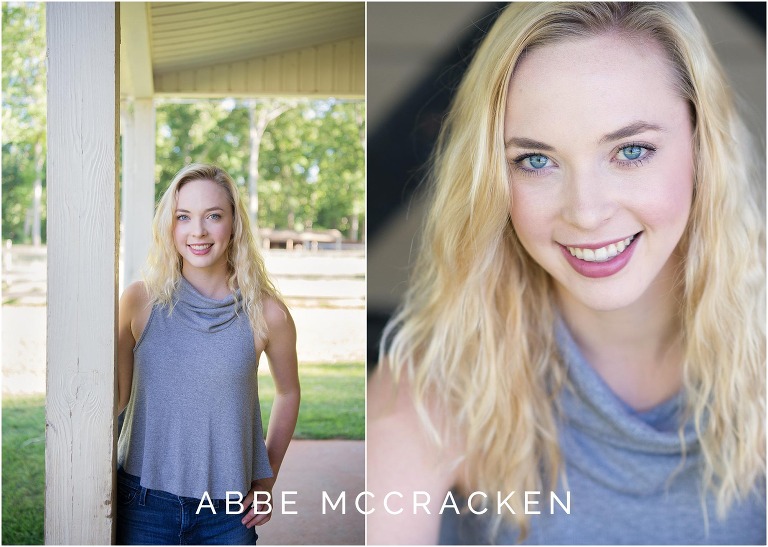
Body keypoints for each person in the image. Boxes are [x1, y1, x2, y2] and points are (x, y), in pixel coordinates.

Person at [367, 2, 765, 544]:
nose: (585, 211)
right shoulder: (433, 391)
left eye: (631, 150)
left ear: (702, 145)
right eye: (536, 160)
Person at [116, 163, 300, 544]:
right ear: (170, 226)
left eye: (213, 216)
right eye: (184, 217)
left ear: (234, 224)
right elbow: (114, 398)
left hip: (228, 514)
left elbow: (288, 392)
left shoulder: (267, 313)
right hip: (144, 503)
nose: (197, 231)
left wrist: (267, 478)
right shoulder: (140, 301)